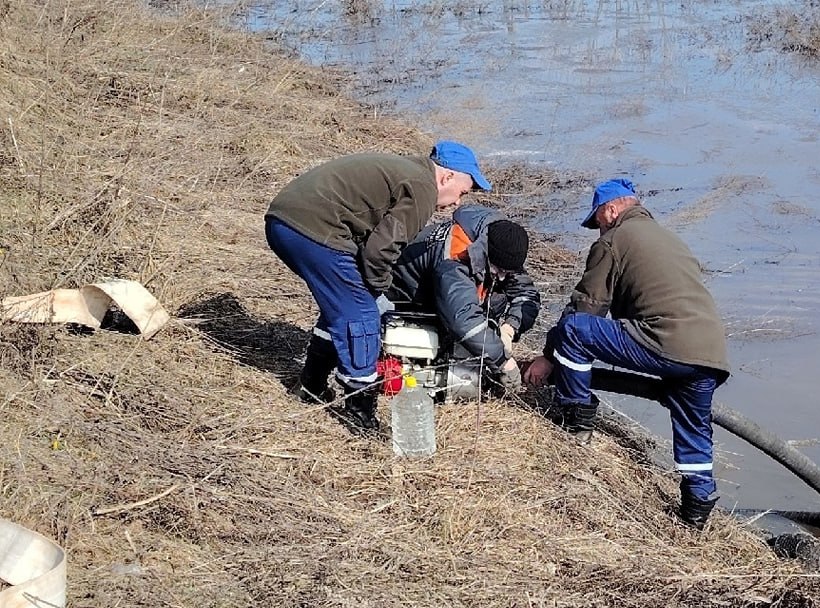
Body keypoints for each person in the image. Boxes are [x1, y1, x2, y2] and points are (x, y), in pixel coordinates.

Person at [523, 178, 730, 529]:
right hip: (708, 355)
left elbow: (586, 309)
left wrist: (548, 357)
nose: (597, 230)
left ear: (612, 209)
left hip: (665, 341)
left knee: (573, 330)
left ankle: (576, 419)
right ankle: (697, 514)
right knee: (694, 432)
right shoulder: (670, 239)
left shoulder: (615, 240)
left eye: (598, 221)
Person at [265, 141, 491, 434]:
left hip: (287, 220)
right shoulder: (423, 188)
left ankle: (311, 385)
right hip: (311, 228)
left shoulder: (409, 171)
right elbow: (380, 251)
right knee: (362, 314)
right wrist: (379, 291)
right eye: (462, 192)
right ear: (446, 177)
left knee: (342, 307)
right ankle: (359, 410)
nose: (457, 203)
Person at [388, 205, 540, 391]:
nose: (501, 277)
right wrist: (502, 362)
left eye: (507, 272)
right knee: (460, 332)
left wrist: (510, 328)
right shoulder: (454, 257)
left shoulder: (500, 243)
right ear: (487, 253)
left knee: (497, 299)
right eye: (499, 270)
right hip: (411, 298)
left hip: (447, 294)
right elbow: (464, 320)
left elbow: (527, 295)